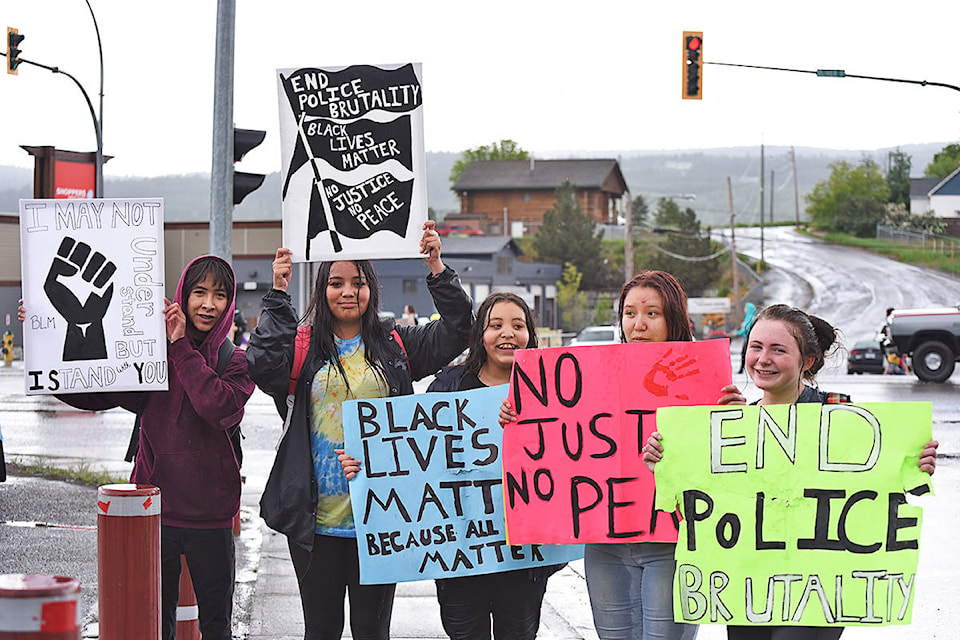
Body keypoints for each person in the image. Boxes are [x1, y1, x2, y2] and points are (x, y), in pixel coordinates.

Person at [643, 303, 939, 640]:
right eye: (755, 347)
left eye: (778, 350)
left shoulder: (838, 415)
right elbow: (698, 508)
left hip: (816, 587)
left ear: (807, 361)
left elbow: (884, 493)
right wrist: (667, 463)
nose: (763, 358)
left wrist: (915, 468)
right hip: (749, 585)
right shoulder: (729, 424)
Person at [245, 221, 474, 640]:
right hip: (315, 522)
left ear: (372, 287)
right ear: (321, 289)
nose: (348, 292)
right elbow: (261, 364)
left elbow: (460, 331)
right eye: (336, 283)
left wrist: (437, 269)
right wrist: (278, 295)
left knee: (371, 629)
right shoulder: (302, 346)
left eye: (358, 282)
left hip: (382, 520)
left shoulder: (397, 345)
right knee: (322, 630)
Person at [24, 255, 255, 640]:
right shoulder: (151, 354)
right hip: (155, 511)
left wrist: (180, 346)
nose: (208, 304)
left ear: (230, 303)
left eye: (219, 295)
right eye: (199, 292)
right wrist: (42, 340)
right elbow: (100, 391)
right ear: (184, 295)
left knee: (216, 628)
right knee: (155, 626)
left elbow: (214, 406)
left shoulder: (237, 362)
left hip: (213, 516)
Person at [346, 292, 563, 640]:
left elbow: (572, 456)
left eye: (518, 325)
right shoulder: (448, 386)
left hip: (524, 559)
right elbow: (412, 453)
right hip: (459, 556)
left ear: (530, 334)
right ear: (480, 334)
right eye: (495, 325)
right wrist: (366, 462)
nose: (507, 333)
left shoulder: (552, 390)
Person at [501, 270, 698, 640]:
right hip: (606, 546)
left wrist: (729, 418)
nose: (638, 324)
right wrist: (519, 416)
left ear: (674, 317)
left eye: (652, 314)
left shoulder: (701, 378)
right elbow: (559, 434)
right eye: (629, 313)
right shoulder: (596, 372)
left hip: (672, 544)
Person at [735, 302, 758, 374]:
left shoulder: (750, 318)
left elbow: (746, 329)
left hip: (749, 339)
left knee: (744, 354)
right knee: (744, 354)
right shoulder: (748, 317)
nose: (744, 309)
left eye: (745, 308)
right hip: (747, 339)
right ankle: (742, 369)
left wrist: (737, 333)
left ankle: (742, 370)